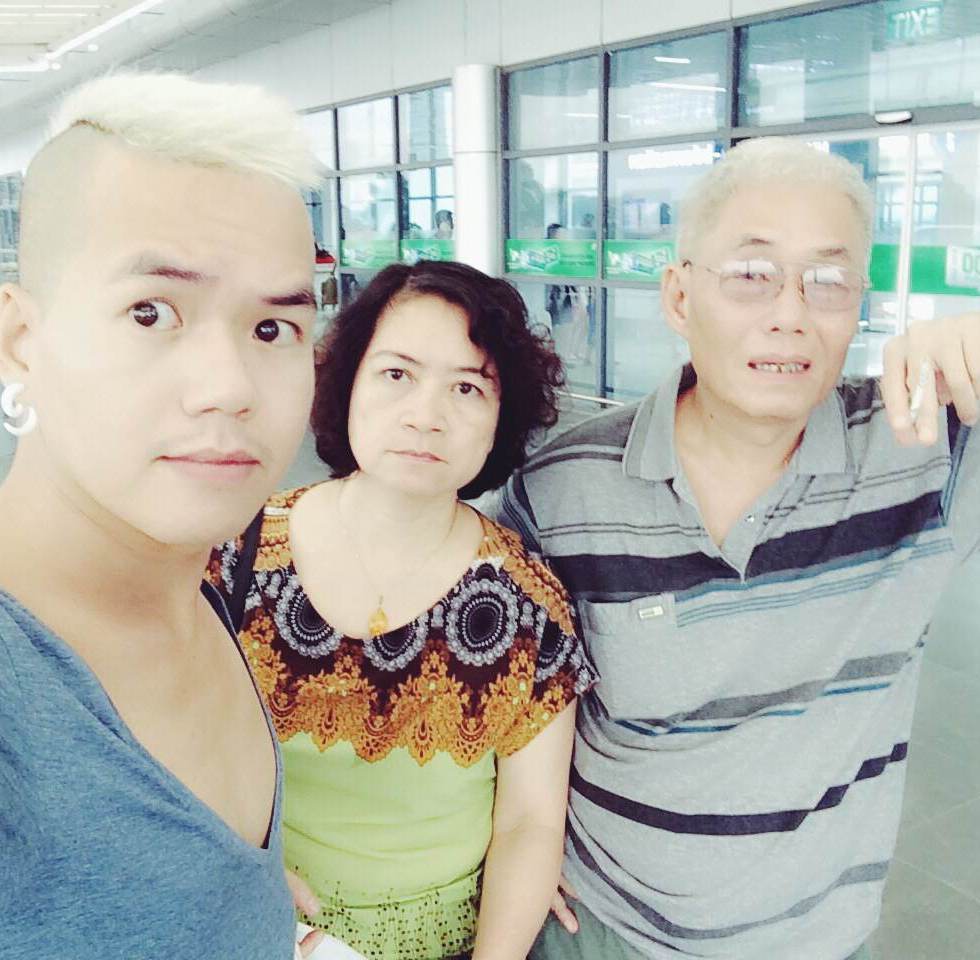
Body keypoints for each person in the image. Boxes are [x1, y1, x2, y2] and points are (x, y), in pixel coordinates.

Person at [500, 137, 980, 960]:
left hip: (816, 940)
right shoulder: (563, 488)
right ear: (680, 296)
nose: (790, 312)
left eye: (828, 280)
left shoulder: (925, 450)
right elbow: (485, 692)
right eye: (752, 273)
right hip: (604, 930)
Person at [0, 73, 329, 959]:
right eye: (152, 312)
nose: (229, 387)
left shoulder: (202, 572)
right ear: (22, 340)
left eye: (272, 329)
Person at [208, 260, 596, 960]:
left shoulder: (527, 605)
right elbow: (161, 745)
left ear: (500, 419)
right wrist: (236, 878)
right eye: (396, 374)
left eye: (467, 388)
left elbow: (530, 822)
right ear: (346, 384)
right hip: (252, 928)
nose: (426, 415)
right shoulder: (233, 554)